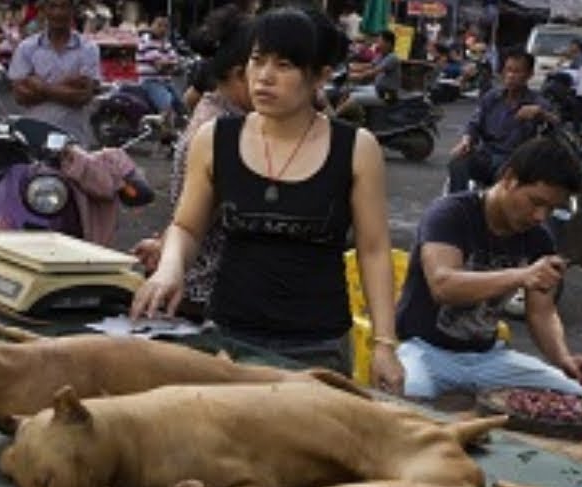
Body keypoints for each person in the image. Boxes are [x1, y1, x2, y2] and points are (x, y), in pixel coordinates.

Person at [130, 5, 405, 391]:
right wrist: (171, 267)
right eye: (257, 61)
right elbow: (187, 227)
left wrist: (385, 344)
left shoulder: (357, 148)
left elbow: (374, 250)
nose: (264, 77)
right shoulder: (214, 138)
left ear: (319, 77)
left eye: (285, 65)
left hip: (318, 348)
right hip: (230, 340)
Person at [395, 137, 582, 399]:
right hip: (423, 350)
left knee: (578, 398)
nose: (541, 217)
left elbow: (542, 312)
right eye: (536, 202)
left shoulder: (539, 238)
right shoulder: (450, 214)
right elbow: (443, 286)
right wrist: (522, 275)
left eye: (551, 209)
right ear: (509, 178)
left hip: (488, 357)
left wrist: (564, 359)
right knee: (408, 395)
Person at [131, 4, 253, 317]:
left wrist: (164, 245)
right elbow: (195, 222)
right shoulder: (222, 131)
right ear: (241, 73)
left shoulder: (224, 114)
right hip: (206, 289)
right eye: (264, 64)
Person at [445, 50, 553, 194]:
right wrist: (467, 140)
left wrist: (541, 113)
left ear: (529, 75)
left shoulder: (537, 102)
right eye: (508, 70)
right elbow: (474, 124)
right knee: (458, 162)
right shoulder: (492, 97)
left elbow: (557, 123)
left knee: (506, 175)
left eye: (517, 71)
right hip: (486, 156)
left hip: (514, 161)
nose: (511, 76)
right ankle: (457, 205)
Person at [8, 0, 102, 146]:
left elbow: (83, 96)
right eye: (53, 6)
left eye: (64, 6)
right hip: (34, 136)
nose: (58, 13)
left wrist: (41, 87)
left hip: (74, 138)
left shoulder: (88, 49)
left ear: (73, 11)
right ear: (44, 10)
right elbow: (20, 96)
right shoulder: (27, 47)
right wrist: (66, 88)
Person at [136, 16, 184, 128]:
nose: (162, 28)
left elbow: (176, 60)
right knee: (167, 105)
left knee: (182, 105)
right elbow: (160, 66)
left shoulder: (165, 43)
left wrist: (170, 64)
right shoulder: (146, 40)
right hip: (151, 81)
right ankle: (166, 136)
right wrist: (170, 64)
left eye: (165, 26)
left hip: (165, 81)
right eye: (159, 25)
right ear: (152, 25)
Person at [338, 28, 400, 115]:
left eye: (380, 41)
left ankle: (334, 118)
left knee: (354, 97)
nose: (377, 44)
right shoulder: (381, 55)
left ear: (388, 43)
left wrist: (354, 76)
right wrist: (350, 67)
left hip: (386, 96)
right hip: (376, 89)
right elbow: (369, 65)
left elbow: (373, 72)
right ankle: (355, 117)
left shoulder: (392, 58)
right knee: (347, 90)